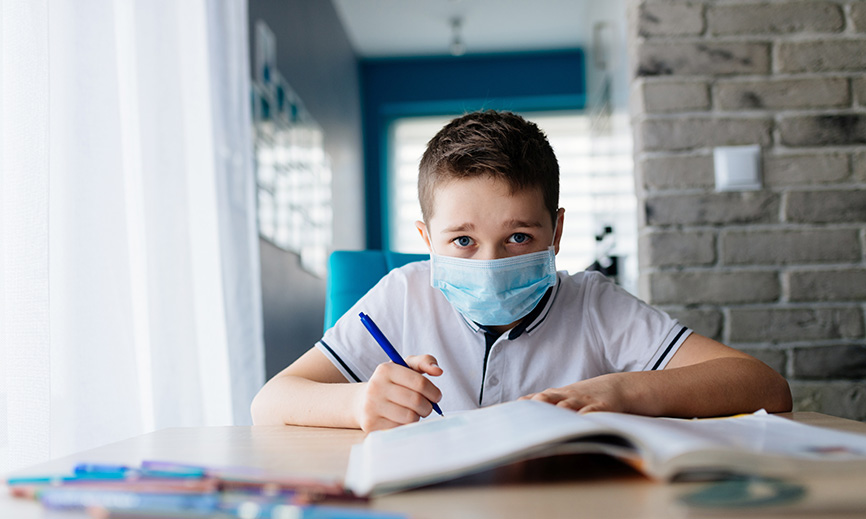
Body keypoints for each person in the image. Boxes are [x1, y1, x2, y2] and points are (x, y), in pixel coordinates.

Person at [251, 110, 792, 432]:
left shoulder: (595, 306)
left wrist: (624, 393)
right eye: (462, 240)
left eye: (518, 237)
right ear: (425, 241)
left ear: (555, 233)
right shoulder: (402, 294)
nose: (489, 263)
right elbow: (270, 402)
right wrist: (356, 400)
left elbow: (764, 385)